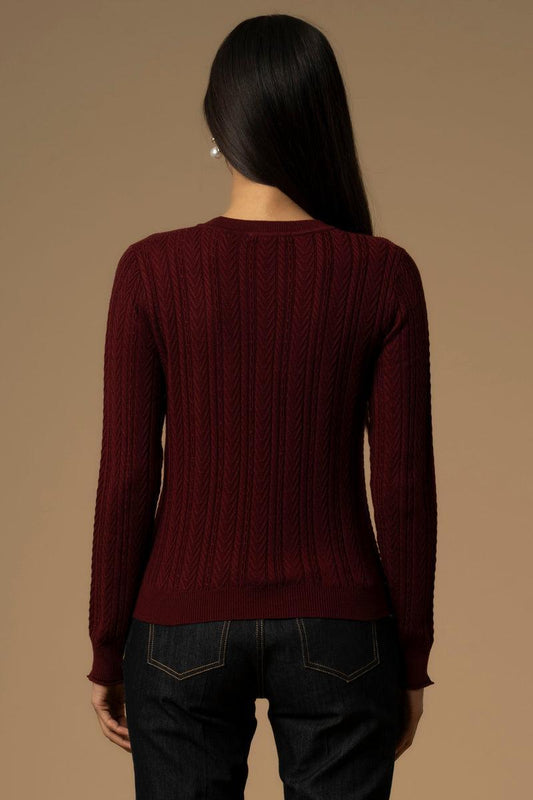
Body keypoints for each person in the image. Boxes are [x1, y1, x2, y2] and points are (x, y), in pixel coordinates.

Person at [86, 13, 438, 799]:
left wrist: (108, 646)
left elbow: (130, 474)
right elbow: (403, 485)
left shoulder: (151, 270)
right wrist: (410, 659)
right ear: (325, 120)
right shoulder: (381, 274)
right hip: (341, 631)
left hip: (177, 627)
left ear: (219, 124)